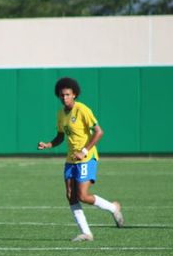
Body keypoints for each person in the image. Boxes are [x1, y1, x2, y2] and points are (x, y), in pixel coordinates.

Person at [38, 77, 124, 241]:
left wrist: (84, 151)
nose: (64, 98)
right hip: (71, 160)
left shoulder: (83, 110)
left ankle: (113, 208)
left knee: (82, 195)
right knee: (70, 195)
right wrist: (48, 144)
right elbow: (60, 136)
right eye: (62, 95)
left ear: (74, 94)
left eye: (68, 94)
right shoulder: (60, 114)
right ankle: (86, 233)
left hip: (86, 158)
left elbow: (99, 132)